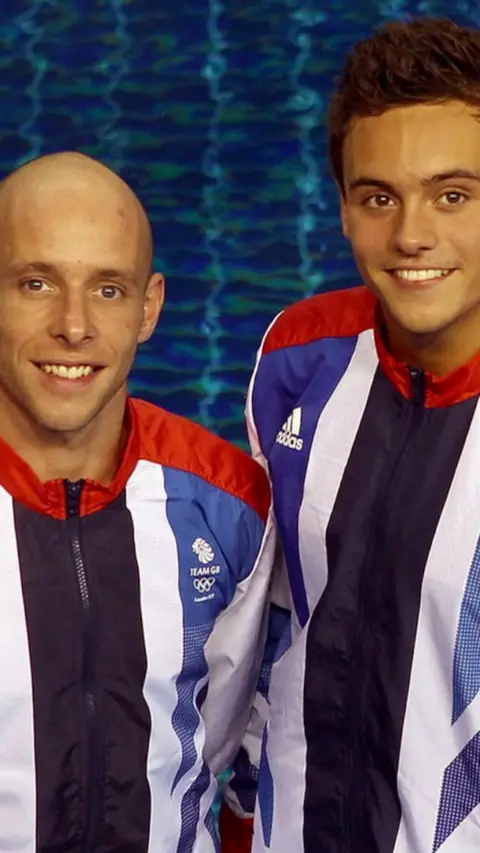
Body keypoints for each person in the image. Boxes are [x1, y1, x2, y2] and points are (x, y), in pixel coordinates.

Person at [221, 15, 480, 853]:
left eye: (454, 194)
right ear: (340, 210)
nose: (412, 236)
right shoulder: (300, 356)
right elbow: (270, 616)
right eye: (379, 197)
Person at [0, 151, 275, 852]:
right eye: (36, 282)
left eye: (109, 290)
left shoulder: (228, 505)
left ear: (150, 306)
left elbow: (250, 755)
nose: (73, 325)